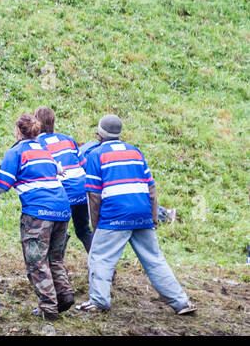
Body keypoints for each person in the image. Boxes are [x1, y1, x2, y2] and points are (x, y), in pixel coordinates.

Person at [77, 115, 195, 315]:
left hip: (114, 215)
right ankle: (181, 302)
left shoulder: (96, 155)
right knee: (154, 259)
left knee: (99, 257)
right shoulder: (135, 151)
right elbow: (151, 188)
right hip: (142, 213)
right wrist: (154, 216)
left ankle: (99, 301)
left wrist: (97, 226)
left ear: (99, 133)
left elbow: (94, 196)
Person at [0, 114, 74, 319]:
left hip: (38, 213)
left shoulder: (16, 152)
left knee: (36, 261)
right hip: (63, 209)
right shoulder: (45, 151)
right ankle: (64, 295)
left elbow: (2, 185)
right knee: (55, 258)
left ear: (18, 131)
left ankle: (48, 307)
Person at [35, 106, 91, 251]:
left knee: (57, 232)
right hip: (81, 190)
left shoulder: (36, 144)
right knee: (83, 230)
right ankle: (102, 265)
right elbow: (84, 165)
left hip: (60, 193)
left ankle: (57, 268)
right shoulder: (68, 139)